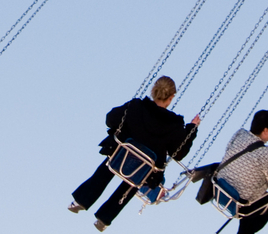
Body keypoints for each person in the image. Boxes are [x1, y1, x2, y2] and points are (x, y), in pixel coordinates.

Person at [69, 76, 200, 230]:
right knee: (136, 179)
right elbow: (178, 153)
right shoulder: (175, 125)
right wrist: (191, 129)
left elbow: (110, 119)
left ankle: (81, 201)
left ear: (153, 91)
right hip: (143, 169)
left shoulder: (137, 106)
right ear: (171, 98)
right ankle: (104, 219)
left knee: (111, 163)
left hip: (121, 155)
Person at [217, 110, 268, 234]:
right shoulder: (267, 154)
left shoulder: (239, 134)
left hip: (219, 187)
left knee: (250, 189)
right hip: (238, 201)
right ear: (265, 130)